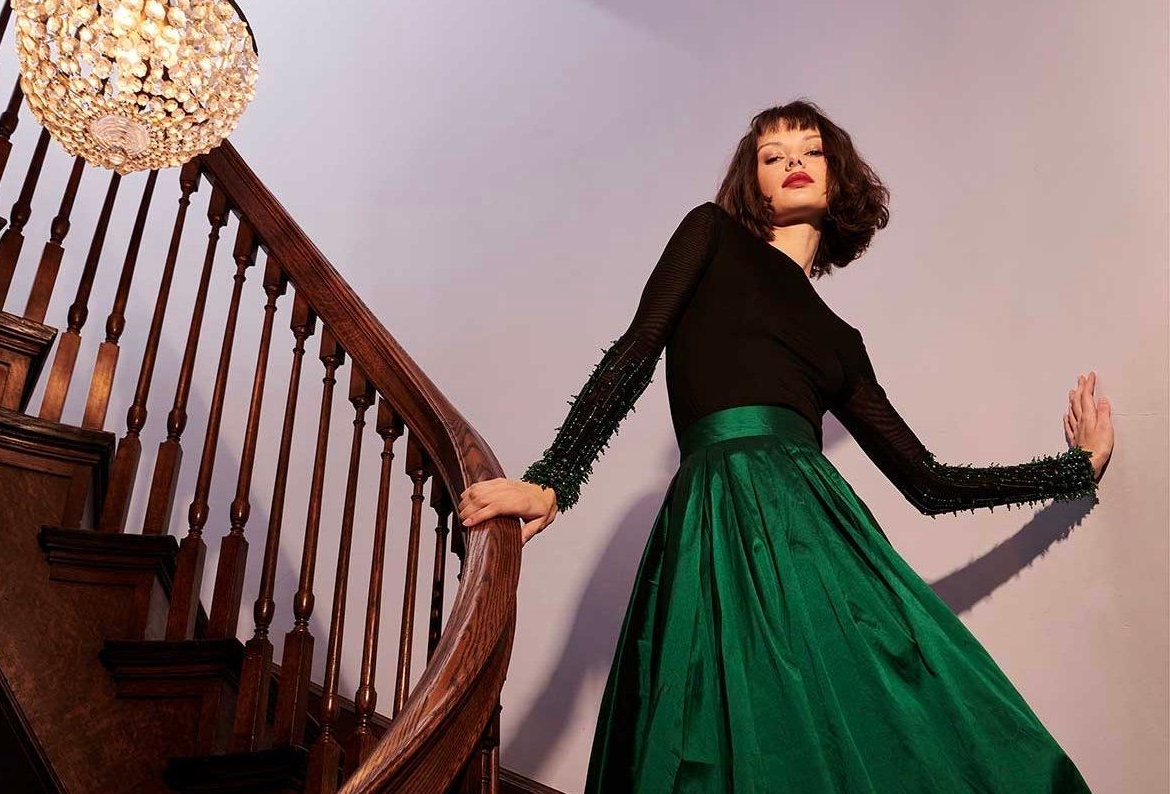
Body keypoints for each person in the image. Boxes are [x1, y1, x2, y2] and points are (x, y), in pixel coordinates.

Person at [457, 99, 1114, 793]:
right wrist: (555, 477)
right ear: (755, 182)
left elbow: (929, 481)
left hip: (816, 540)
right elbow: (638, 347)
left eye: (810, 151)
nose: (794, 162)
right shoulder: (709, 234)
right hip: (715, 524)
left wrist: (1075, 469)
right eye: (774, 156)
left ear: (838, 178)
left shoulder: (840, 340)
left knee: (891, 712)